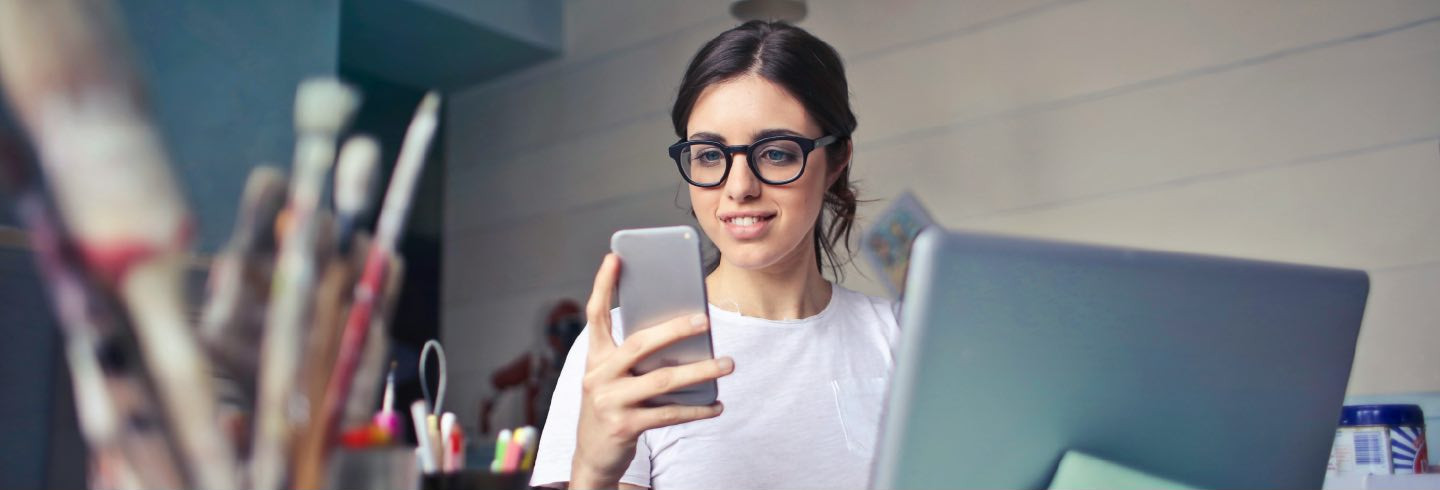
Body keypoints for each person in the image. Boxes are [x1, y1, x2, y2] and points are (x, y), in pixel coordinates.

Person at [532, 20, 900, 489]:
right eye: (709, 155)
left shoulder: (901, 339)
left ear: (836, 160)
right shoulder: (626, 351)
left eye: (776, 153)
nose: (739, 187)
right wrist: (592, 472)